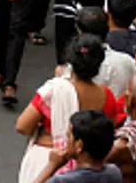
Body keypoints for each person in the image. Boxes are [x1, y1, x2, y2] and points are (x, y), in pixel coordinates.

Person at [15, 34, 125, 183]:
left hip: (48, 158)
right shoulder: (107, 95)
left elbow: (23, 126)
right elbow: (106, 132)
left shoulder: (54, 90)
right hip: (90, 166)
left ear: (70, 61)